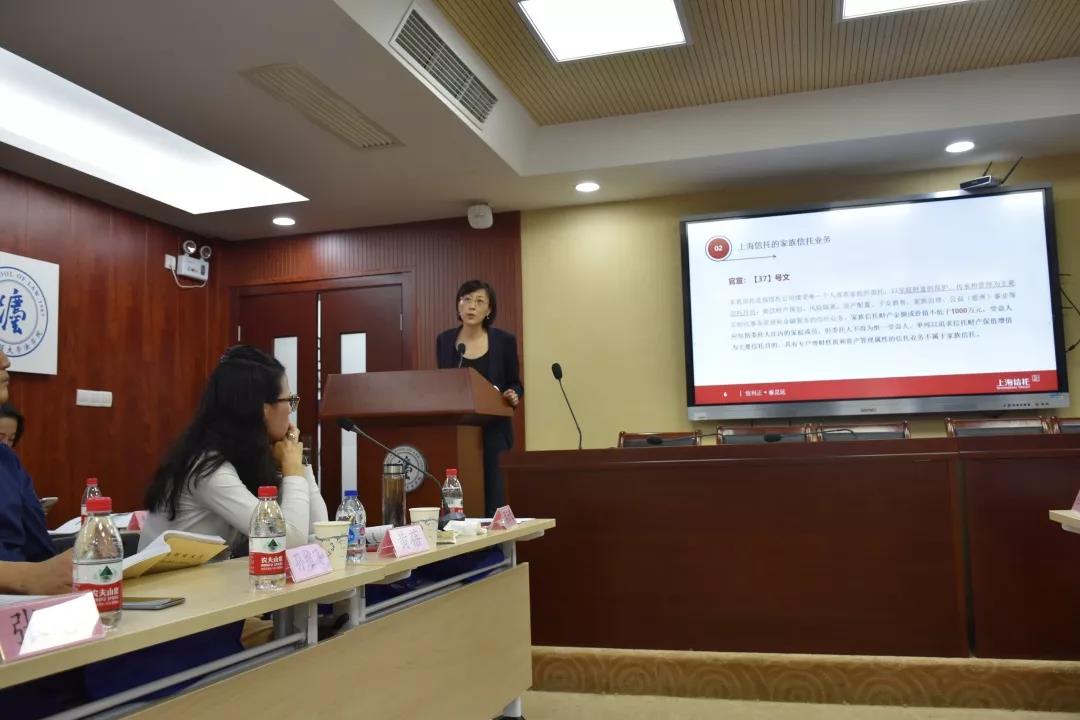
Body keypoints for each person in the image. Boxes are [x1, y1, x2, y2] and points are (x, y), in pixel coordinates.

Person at [140, 345, 327, 552]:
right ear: (263, 409)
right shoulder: (208, 468)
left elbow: (320, 533)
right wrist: (293, 471)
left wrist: (299, 463)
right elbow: (286, 541)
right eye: (290, 400)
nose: (292, 410)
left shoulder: (250, 457)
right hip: (166, 574)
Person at [436, 280, 522, 516]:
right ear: (458, 306)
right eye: (466, 299)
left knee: (494, 497)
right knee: (459, 498)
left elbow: (515, 383)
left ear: (489, 309)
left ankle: (495, 538)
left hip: (495, 428)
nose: (471, 306)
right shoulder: (445, 340)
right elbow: (443, 383)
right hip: (458, 429)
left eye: (479, 301)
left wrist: (513, 394)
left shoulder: (504, 341)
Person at [0, 350, 73, 595]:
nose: (5, 361)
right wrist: (25, 577)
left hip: (20, 607)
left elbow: (40, 550)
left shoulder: (8, 461)